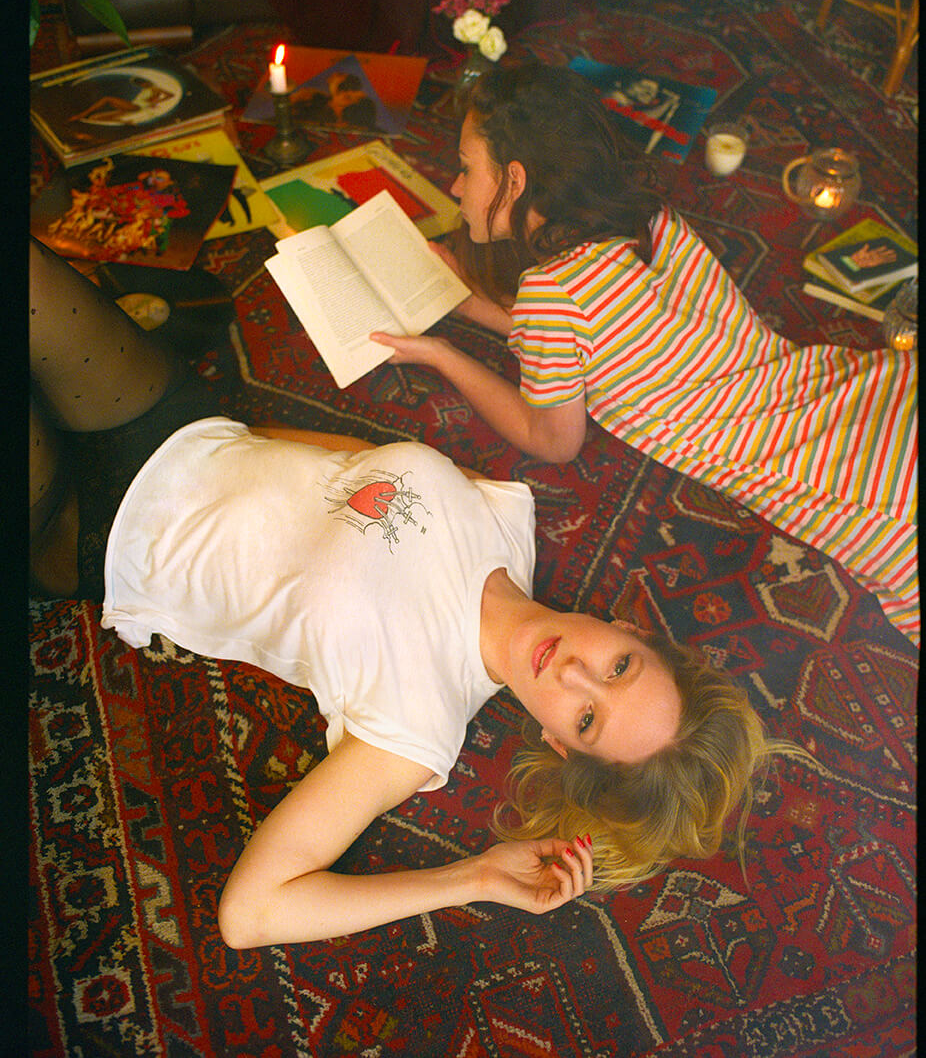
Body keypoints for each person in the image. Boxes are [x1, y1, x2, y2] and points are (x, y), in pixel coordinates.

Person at [29, 237, 807, 947]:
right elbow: (354, 461)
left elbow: (251, 913)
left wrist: (471, 877)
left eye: (587, 716)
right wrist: (238, 438)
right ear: (629, 629)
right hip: (175, 425)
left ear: (561, 743)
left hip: (103, 532)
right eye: (619, 667)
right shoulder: (509, 521)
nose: (574, 672)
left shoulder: (416, 725)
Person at [371, 63, 919, 644]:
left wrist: (441, 355)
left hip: (858, 487)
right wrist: (467, 302)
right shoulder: (651, 222)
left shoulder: (551, 293)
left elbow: (553, 439)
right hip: (868, 386)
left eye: (465, 168)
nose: (456, 188)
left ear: (515, 178)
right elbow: (594, 335)